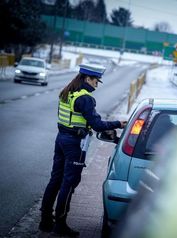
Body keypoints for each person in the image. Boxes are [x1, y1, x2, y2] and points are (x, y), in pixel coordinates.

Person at [39, 64, 127, 237]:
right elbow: (97, 125)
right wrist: (118, 123)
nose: (97, 84)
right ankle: (60, 224)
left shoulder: (67, 92)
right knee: (68, 183)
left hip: (61, 139)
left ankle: (45, 220)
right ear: (88, 79)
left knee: (55, 180)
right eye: (96, 81)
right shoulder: (85, 98)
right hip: (75, 144)